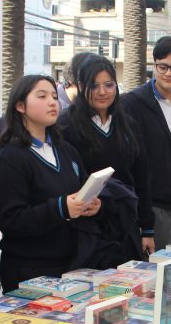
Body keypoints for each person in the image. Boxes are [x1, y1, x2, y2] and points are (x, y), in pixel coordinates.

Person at [0, 74, 101, 292]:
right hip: (30, 269)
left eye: (53, 95)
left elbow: (80, 188)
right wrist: (60, 207)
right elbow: (11, 220)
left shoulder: (65, 150)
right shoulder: (10, 158)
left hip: (71, 263)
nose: (52, 102)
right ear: (20, 106)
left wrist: (91, 204)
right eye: (42, 96)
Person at [57, 55, 154, 258]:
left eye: (109, 85)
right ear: (81, 86)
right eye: (94, 85)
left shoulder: (128, 125)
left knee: (129, 288)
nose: (102, 92)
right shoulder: (66, 126)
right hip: (87, 230)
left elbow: (142, 177)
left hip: (125, 223)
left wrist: (147, 229)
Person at [120, 35, 171, 251]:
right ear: (154, 66)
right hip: (152, 208)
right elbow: (127, 162)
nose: (168, 73)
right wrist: (143, 219)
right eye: (162, 66)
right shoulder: (132, 103)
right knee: (154, 276)